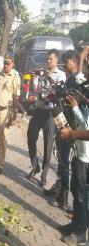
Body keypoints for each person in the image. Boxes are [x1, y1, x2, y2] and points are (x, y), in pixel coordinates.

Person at [47, 51, 82, 210]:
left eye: (67, 62)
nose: (65, 66)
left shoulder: (78, 80)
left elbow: (76, 101)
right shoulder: (69, 79)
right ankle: (59, 190)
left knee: (65, 163)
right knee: (61, 160)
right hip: (61, 123)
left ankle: (63, 198)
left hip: (70, 127)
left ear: (75, 62)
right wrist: (54, 97)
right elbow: (63, 99)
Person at [26, 50, 66, 187]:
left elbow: (60, 92)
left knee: (48, 145)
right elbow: (33, 89)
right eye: (47, 59)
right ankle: (35, 164)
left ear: (56, 60)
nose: (48, 61)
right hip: (38, 110)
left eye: (50, 59)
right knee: (31, 137)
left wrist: (49, 77)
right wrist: (32, 78)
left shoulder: (61, 75)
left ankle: (44, 174)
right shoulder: (41, 72)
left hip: (50, 114)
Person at [58, 93, 88, 246]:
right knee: (76, 192)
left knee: (83, 197)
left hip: (87, 160)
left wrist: (71, 133)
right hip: (79, 154)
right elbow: (84, 124)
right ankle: (75, 225)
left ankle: (80, 233)